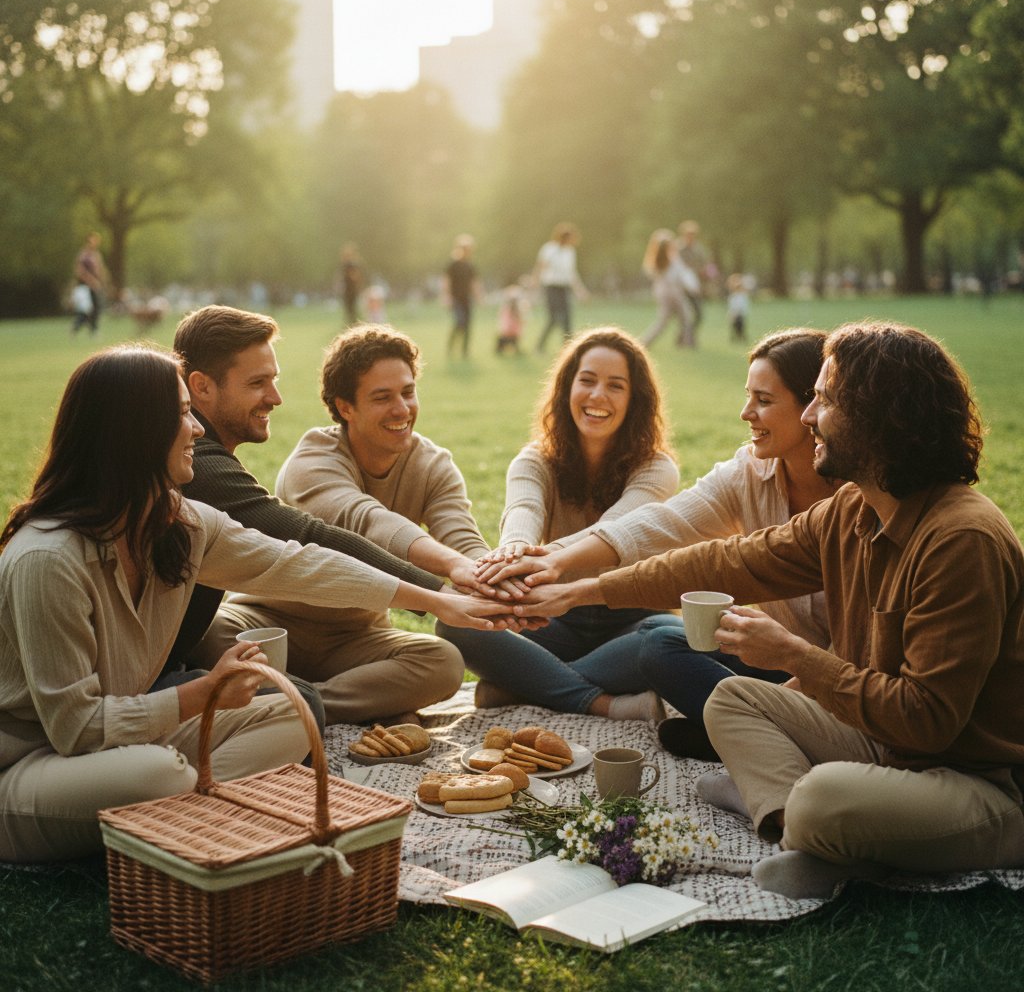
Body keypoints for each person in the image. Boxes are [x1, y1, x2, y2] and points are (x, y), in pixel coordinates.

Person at [514, 322, 1024, 898]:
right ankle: (807, 832)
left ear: (882, 418)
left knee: (825, 796)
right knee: (731, 698)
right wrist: (579, 589)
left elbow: (929, 720)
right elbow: (727, 562)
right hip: (886, 748)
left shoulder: (961, 539)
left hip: (977, 781)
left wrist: (795, 657)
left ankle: (810, 820)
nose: (810, 417)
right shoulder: (855, 510)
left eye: (825, 401)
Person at [0, 346, 505, 863]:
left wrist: (434, 601)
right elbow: (77, 730)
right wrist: (203, 693)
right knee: (158, 772)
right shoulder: (48, 558)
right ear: (133, 430)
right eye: (180, 414)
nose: (197, 429)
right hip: (34, 762)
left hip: (132, 739)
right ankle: (195, 813)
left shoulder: (182, 522)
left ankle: (181, 819)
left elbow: (300, 563)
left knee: (292, 712)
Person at [475, 329, 834, 747]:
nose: (745, 413)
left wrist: (555, 569)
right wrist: (542, 560)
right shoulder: (747, 473)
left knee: (655, 637)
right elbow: (661, 524)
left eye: (764, 400)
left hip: (841, 675)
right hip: (775, 659)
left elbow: (655, 530)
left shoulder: (858, 498)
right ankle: (755, 729)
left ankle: (527, 682)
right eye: (587, 380)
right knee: (663, 648)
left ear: (815, 407)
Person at [171, 306, 476, 728]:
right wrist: (436, 592)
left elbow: (463, 538)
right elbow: (329, 532)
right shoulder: (210, 464)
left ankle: (298, 703)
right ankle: (300, 705)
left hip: (354, 638)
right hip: (267, 623)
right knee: (215, 634)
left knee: (443, 660)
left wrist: (488, 572)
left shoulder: (433, 463)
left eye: (408, 391)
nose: (277, 398)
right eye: (259, 383)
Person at [437, 328, 680, 719]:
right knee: (455, 619)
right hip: (549, 615)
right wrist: (514, 550)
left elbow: (616, 529)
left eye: (615, 386)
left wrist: (545, 557)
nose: (597, 395)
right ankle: (602, 703)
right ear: (567, 388)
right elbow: (523, 512)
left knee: (672, 640)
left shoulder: (657, 468)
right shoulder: (534, 460)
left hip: (630, 618)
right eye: (587, 380)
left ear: (634, 400)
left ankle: (523, 687)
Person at [640, 229, 700, 349]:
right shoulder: (673, 259)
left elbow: (651, 274)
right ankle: (688, 343)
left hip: (661, 292)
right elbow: (681, 275)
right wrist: (693, 287)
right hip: (674, 292)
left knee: (664, 320)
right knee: (685, 317)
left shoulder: (655, 259)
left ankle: (645, 342)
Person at [533, 222, 588, 354]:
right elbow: (541, 266)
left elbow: (572, 273)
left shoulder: (570, 252)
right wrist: (535, 283)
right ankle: (539, 346)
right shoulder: (549, 249)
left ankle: (568, 349)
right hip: (551, 287)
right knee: (554, 318)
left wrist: (580, 290)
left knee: (567, 318)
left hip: (564, 288)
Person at [442, 234, 481, 359]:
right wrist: (446, 296)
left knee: (468, 325)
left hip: (467, 299)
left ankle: (465, 352)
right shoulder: (453, 264)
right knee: (459, 322)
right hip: (456, 298)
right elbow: (446, 281)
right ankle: (450, 347)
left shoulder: (470, 266)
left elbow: (474, 283)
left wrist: (479, 297)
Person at [71, 231, 107, 335]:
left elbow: (100, 269)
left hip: (95, 285)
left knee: (97, 307)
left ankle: (93, 329)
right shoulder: (84, 255)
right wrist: (91, 281)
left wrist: (102, 281)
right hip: (85, 286)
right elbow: (79, 271)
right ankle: (76, 328)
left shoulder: (96, 254)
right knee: (85, 309)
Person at [677, 220, 711, 328]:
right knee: (684, 314)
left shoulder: (699, 249)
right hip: (681, 286)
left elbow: (706, 265)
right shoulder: (678, 248)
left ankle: (688, 335)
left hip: (695, 286)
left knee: (698, 313)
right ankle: (686, 337)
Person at [496, 277, 529, 356]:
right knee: (511, 336)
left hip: (508, 324)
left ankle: (503, 348)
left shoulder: (513, 292)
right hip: (511, 325)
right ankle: (506, 347)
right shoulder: (516, 293)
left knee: (508, 336)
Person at [334, 243, 364, 327]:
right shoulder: (346, 265)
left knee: (351, 309)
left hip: (351, 291)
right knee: (350, 310)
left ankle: (354, 325)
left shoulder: (351, 265)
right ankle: (352, 324)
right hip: (348, 290)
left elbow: (355, 277)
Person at [727, 273, 751, 343]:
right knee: (734, 326)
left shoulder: (743, 296)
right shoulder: (733, 296)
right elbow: (731, 306)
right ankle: (735, 338)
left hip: (740, 314)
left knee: (741, 326)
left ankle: (742, 337)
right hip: (734, 314)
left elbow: (744, 306)